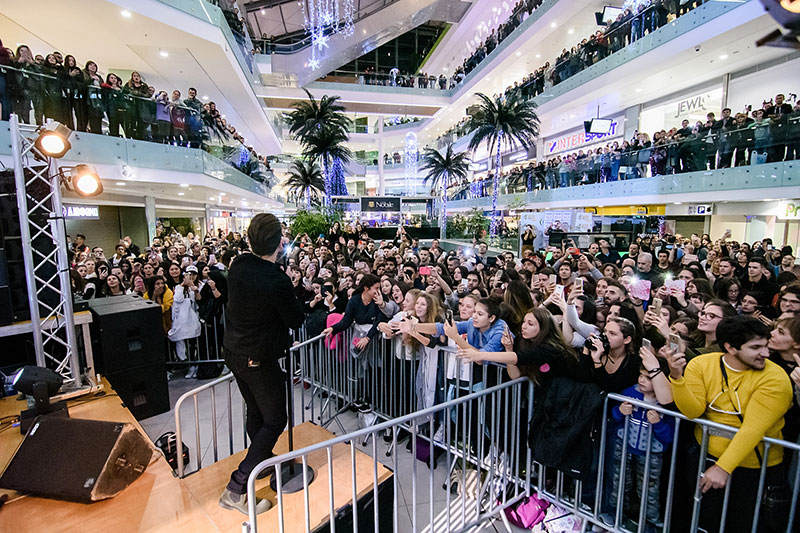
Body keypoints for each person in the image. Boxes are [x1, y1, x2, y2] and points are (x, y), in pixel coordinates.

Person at [667, 316, 793, 532]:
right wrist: (677, 378)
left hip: (754, 469)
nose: (765, 353)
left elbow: (753, 429)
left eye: (765, 345)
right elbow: (693, 411)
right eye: (755, 347)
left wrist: (723, 468)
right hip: (705, 457)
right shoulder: (701, 364)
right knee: (705, 522)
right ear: (730, 348)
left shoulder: (776, 378)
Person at [220, 214, 304, 515]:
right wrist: (292, 289)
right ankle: (237, 486)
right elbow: (295, 319)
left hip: (234, 353)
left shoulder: (239, 265)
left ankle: (263, 460)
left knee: (256, 412)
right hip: (258, 358)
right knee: (275, 420)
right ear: (279, 243)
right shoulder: (277, 279)